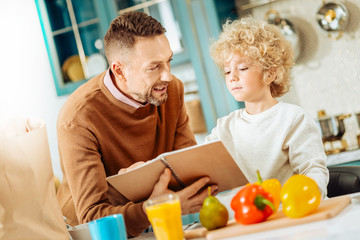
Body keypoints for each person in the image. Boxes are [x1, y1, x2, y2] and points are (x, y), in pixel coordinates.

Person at [56, 12, 216, 237]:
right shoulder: (78, 118)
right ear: (119, 70)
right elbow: (93, 216)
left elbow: (187, 169)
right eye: (154, 67)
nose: (168, 76)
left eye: (168, 61)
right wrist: (155, 206)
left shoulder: (172, 90)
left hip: (151, 224)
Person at [206, 18, 329, 197]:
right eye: (227, 71)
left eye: (242, 68)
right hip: (254, 217)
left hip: (294, 214)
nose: (232, 77)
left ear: (270, 72)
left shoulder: (293, 118)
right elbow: (199, 165)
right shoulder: (225, 127)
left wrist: (303, 198)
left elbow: (313, 171)